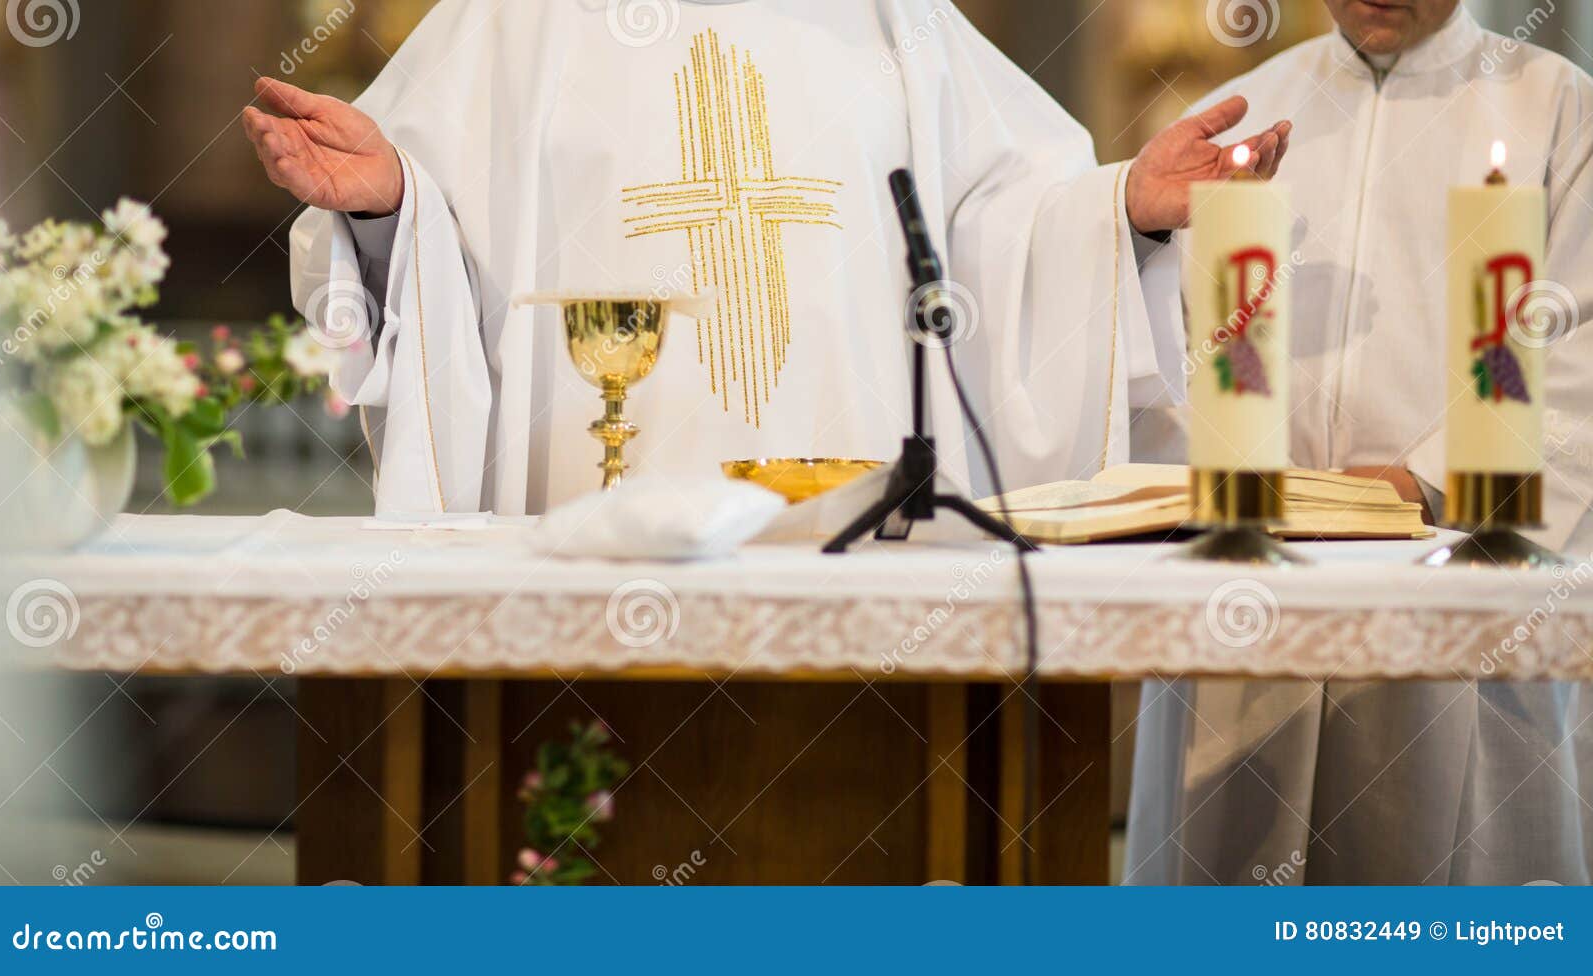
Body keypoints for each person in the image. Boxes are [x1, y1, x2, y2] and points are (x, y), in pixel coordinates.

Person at [243, 0, 1289, 515]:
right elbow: (443, 248)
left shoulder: (891, 18)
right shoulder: (518, 20)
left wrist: (1123, 214)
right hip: (589, 531)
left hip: (864, 540)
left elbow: (993, 238)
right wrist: (390, 207)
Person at [1126, 0, 1593, 884]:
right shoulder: (1245, 113)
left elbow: (1580, 353)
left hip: (1461, 582)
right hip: (1250, 586)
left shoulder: (1560, 111)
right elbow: (1156, 356)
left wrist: (1421, 482)